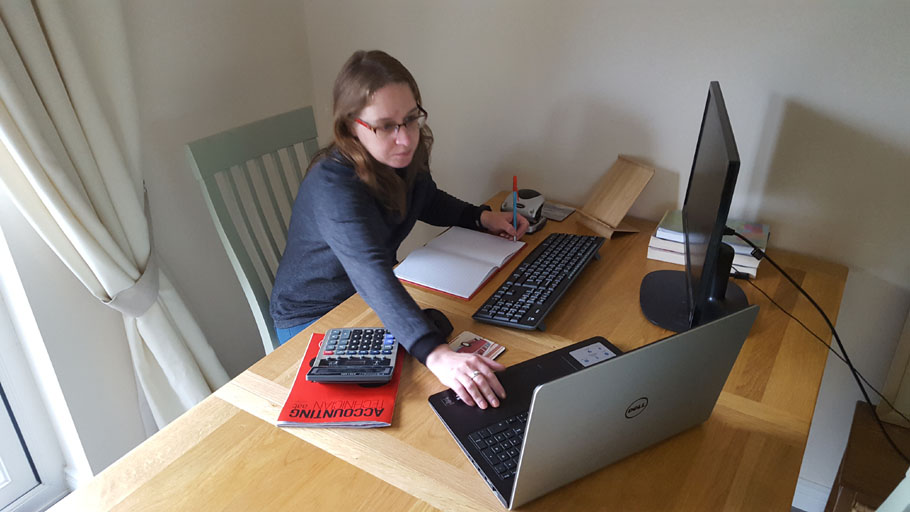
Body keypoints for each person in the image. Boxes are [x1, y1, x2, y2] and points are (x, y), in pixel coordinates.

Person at [270, 50, 529, 409]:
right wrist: (437, 356)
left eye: (410, 119)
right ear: (350, 127)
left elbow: (427, 199)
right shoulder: (333, 187)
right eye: (386, 125)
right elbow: (370, 271)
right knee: (411, 403)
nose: (405, 138)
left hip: (372, 300)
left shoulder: (402, 152)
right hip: (315, 316)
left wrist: (481, 217)